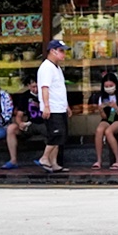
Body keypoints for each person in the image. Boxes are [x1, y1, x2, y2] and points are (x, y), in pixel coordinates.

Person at [36, 40, 70, 173]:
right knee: (56, 134)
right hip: (52, 108)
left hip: (60, 106)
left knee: (60, 137)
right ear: (52, 51)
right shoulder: (46, 67)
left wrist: (66, 105)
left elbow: (59, 89)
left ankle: (54, 162)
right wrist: (46, 106)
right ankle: (44, 158)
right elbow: (45, 88)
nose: (63, 54)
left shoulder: (56, 67)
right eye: (61, 51)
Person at [3, 69, 42, 170]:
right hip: (30, 123)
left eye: (38, 86)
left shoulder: (45, 93)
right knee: (11, 128)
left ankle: (47, 160)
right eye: (33, 87)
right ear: (28, 86)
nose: (36, 89)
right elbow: (19, 114)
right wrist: (20, 123)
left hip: (44, 123)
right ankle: (13, 160)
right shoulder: (25, 96)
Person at [91, 71, 118, 169]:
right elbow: (105, 118)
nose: (109, 88)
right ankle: (99, 160)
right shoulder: (102, 97)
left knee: (109, 131)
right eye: (106, 86)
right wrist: (100, 110)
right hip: (109, 118)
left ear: (116, 84)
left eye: (111, 85)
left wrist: (116, 107)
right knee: (99, 130)